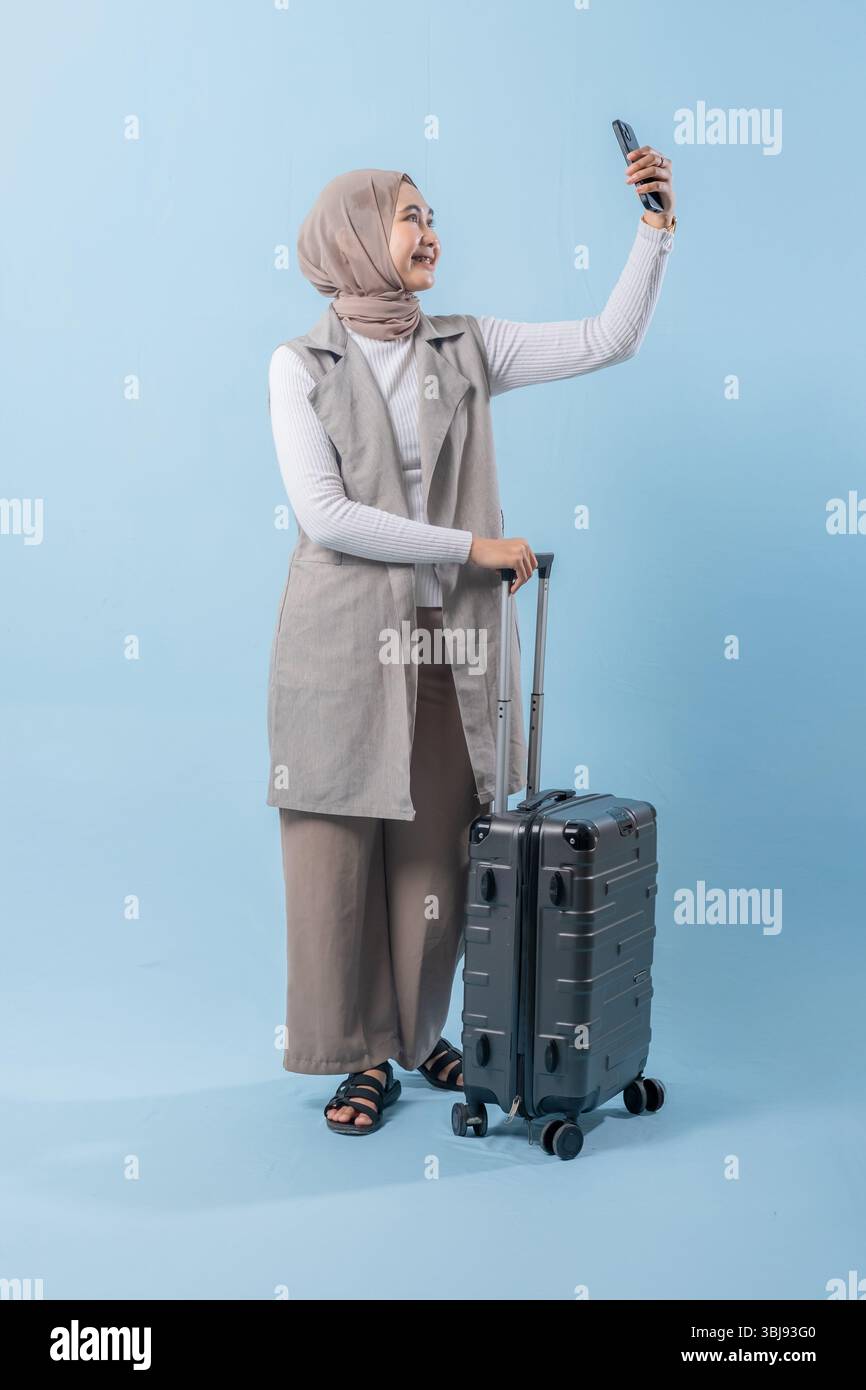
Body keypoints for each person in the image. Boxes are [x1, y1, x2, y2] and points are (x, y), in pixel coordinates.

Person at [266, 152, 676, 1134]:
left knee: (441, 854)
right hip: (339, 644)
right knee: (334, 852)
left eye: (430, 215)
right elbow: (325, 517)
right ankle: (355, 1054)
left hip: (450, 641)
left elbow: (605, 338)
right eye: (408, 217)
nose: (428, 231)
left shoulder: (467, 345)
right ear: (355, 236)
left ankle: (417, 1035)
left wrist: (652, 230)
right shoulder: (299, 364)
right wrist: (472, 546)